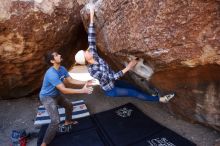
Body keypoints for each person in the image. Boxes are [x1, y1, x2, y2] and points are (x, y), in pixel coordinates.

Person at [75, 6, 174, 103]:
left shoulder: (93, 54)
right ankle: (160, 100)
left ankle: (151, 96)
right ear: (86, 59)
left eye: (86, 51)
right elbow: (112, 77)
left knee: (133, 87)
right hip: (111, 89)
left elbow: (91, 38)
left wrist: (91, 17)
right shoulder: (93, 71)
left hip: (114, 81)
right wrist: (129, 67)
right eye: (85, 53)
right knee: (133, 93)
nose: (88, 51)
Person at [39, 51, 93, 146]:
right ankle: (44, 143)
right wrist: (82, 91)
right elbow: (64, 90)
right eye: (56, 55)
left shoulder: (62, 68)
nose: (60, 55)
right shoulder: (51, 73)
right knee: (55, 121)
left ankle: (68, 121)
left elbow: (70, 80)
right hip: (47, 97)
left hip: (56, 95)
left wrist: (85, 82)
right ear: (52, 61)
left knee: (69, 105)